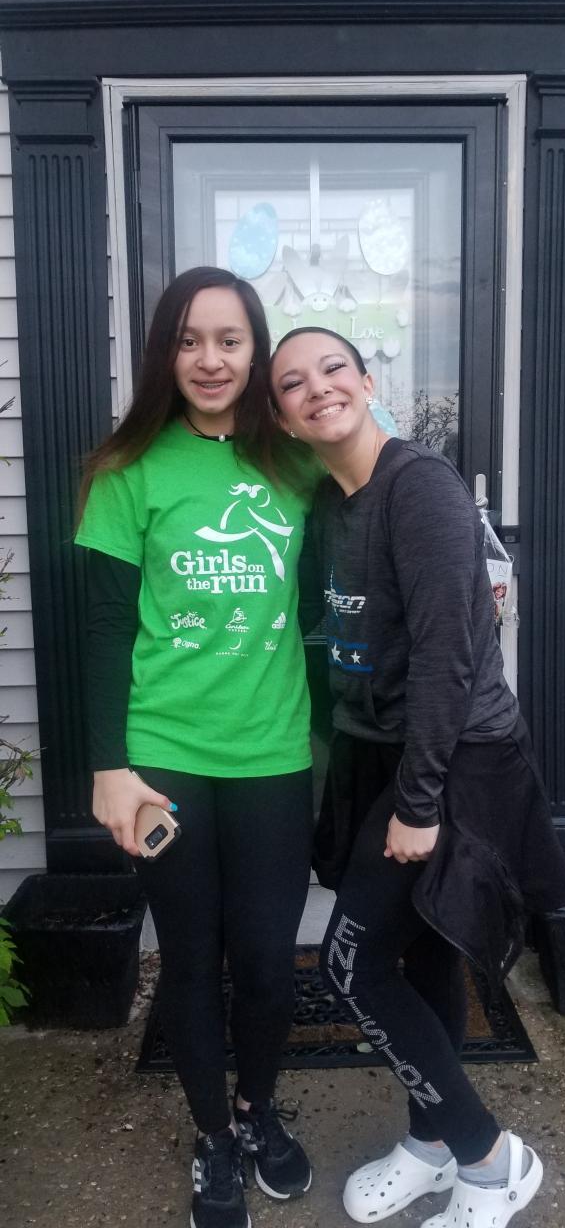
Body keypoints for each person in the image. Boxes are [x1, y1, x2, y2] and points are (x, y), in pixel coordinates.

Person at [269, 326, 565, 1228]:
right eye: (293, 384)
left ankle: (491, 1159)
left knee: (352, 962)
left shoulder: (421, 489)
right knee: (425, 948)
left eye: (333, 369)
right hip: (375, 753)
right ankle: (431, 1142)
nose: (318, 388)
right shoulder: (329, 504)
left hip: (452, 759)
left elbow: (449, 657)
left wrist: (417, 801)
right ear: (283, 418)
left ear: (367, 383)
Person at [75, 268, 318, 1228]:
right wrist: (109, 766)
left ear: (255, 352)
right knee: (188, 958)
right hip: (163, 757)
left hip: (274, 756)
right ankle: (213, 1137)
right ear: (163, 356)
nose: (209, 360)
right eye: (188, 341)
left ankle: (257, 1112)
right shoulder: (127, 470)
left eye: (229, 339)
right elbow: (103, 628)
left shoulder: (294, 463)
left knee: (265, 961)